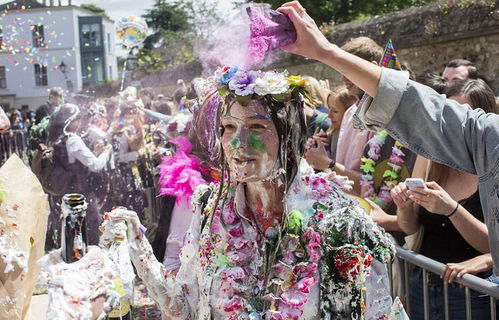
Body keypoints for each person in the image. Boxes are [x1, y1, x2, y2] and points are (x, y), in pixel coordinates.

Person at [101, 69, 400, 319]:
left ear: (289, 135)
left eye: (257, 126)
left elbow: (376, 312)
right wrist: (136, 245)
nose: (238, 142)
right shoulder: (210, 210)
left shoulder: (341, 223)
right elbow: (185, 306)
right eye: (229, 127)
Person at [276, 0, 499, 281]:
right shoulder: (471, 142)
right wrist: (325, 52)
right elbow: (415, 107)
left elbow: (413, 106)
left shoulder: (482, 140)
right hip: (423, 286)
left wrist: (453, 212)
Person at [388, 79, 496, 320]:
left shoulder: (493, 164)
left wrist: (453, 210)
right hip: (423, 288)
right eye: (448, 110)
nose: (453, 120)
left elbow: (493, 245)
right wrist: (404, 207)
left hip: (473, 294)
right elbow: (411, 227)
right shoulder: (429, 157)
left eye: (462, 113)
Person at [45, 103, 112, 250]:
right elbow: (95, 165)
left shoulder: (58, 140)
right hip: (82, 195)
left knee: (73, 238)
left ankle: (75, 264)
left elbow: (74, 163)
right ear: (70, 121)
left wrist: (94, 152)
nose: (80, 122)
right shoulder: (73, 139)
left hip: (66, 195)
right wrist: (105, 154)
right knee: (92, 234)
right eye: (77, 119)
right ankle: (91, 267)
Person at [305, 85, 357, 168]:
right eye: (329, 108)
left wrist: (326, 162)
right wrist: (313, 149)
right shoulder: (330, 132)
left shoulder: (358, 140)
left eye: (335, 111)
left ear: (350, 113)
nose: (329, 115)